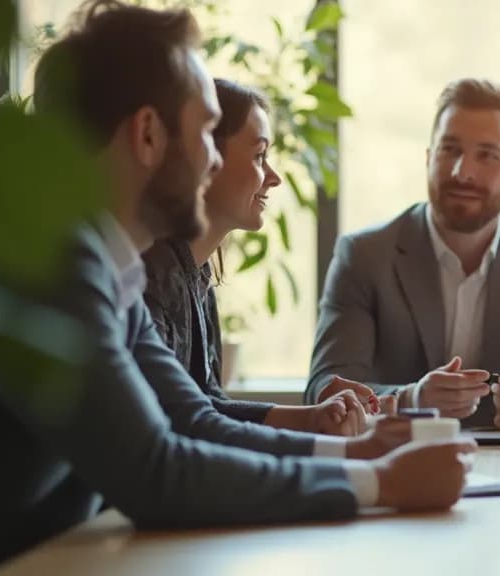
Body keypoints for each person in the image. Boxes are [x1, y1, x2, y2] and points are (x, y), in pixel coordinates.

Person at [0, 0, 473, 575]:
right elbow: (155, 475)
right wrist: (380, 482)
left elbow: (192, 419)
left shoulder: (93, 256)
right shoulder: (34, 254)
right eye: (207, 132)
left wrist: (355, 451)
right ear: (147, 135)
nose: (213, 161)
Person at [307, 78, 500, 432]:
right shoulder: (364, 256)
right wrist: (409, 400)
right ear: (428, 158)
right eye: (449, 149)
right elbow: (326, 386)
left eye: (487, 155)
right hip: (394, 454)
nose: (462, 172)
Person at [143, 79, 377, 436]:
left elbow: (206, 404)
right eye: (259, 156)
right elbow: (176, 424)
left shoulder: (196, 274)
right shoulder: (150, 276)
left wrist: (314, 418)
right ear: (205, 158)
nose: (274, 178)